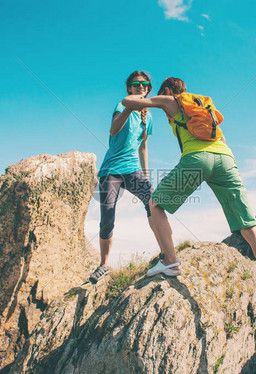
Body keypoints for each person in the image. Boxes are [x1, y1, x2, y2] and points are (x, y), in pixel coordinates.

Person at [121, 77, 256, 327]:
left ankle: (170, 261)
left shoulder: (171, 100)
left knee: (155, 205)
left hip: (197, 158)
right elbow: (223, 140)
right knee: (250, 228)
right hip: (226, 159)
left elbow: (126, 101)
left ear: (169, 90)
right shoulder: (203, 105)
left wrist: (140, 96)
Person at [89, 71, 160, 284]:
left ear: (148, 88)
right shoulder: (121, 107)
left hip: (133, 169)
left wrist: (146, 177)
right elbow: (113, 131)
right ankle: (104, 265)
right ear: (129, 88)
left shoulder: (149, 117)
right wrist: (130, 107)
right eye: (136, 84)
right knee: (107, 216)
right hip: (111, 169)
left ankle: (165, 253)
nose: (141, 86)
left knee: (154, 204)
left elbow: (144, 146)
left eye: (145, 84)